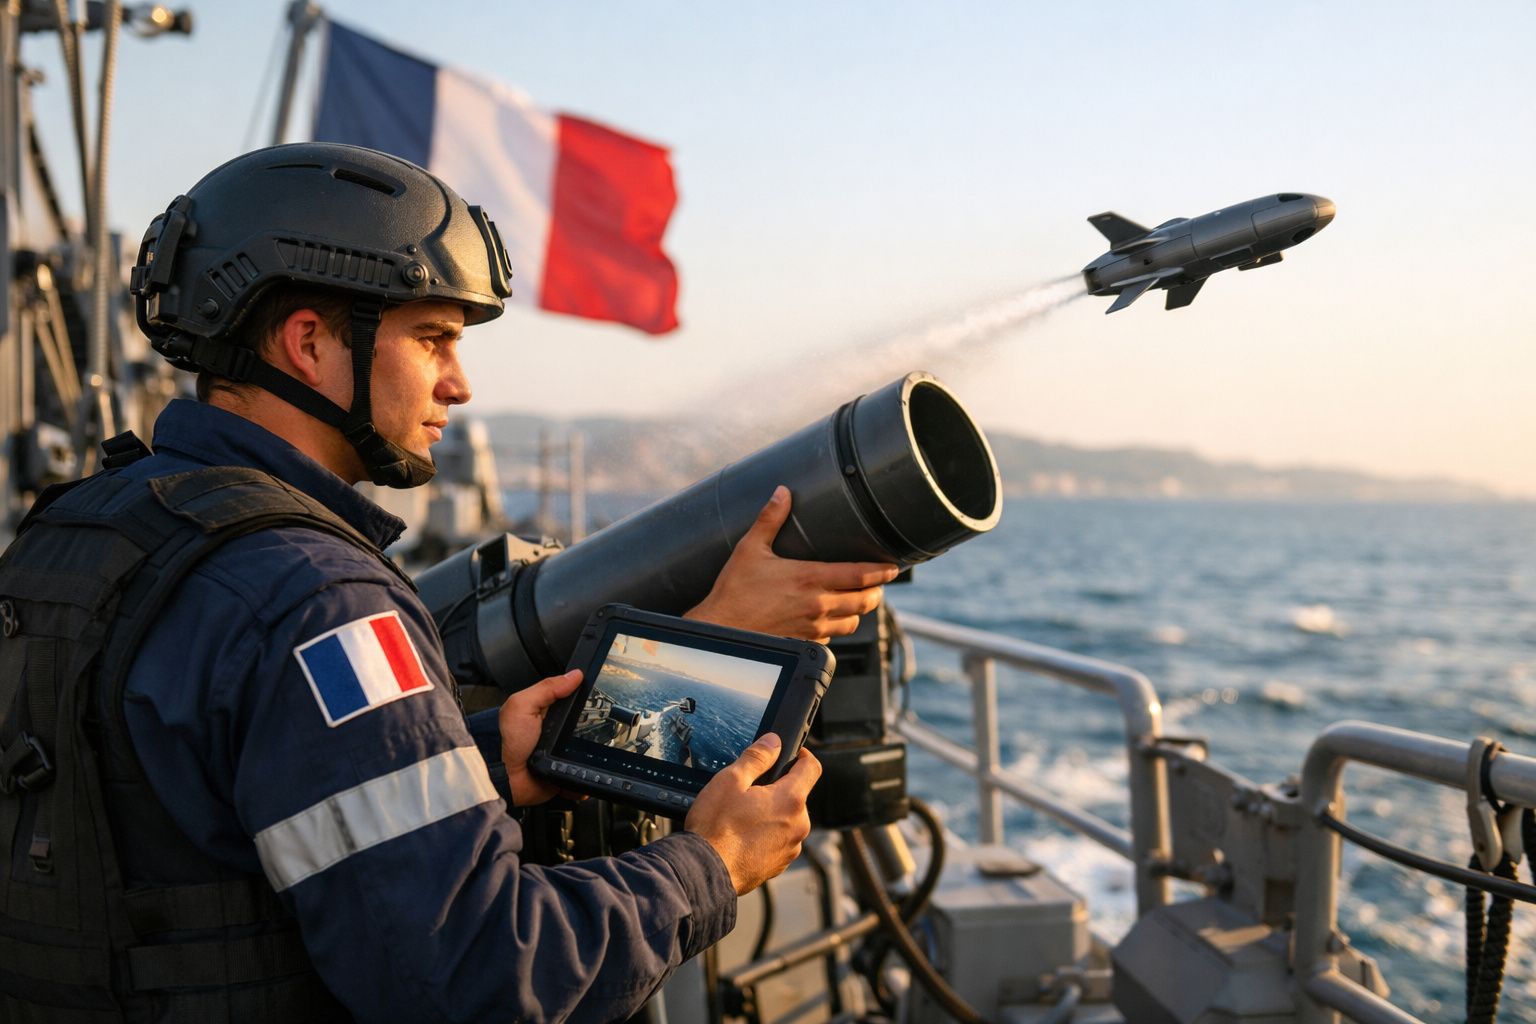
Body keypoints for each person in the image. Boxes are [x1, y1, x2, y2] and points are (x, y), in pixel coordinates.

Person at [0, 143, 896, 1023]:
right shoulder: (316, 598)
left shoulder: (81, 528)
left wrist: (475, 765)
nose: (459, 385)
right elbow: (477, 976)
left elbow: (182, 810)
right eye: (433, 340)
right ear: (308, 342)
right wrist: (710, 864)